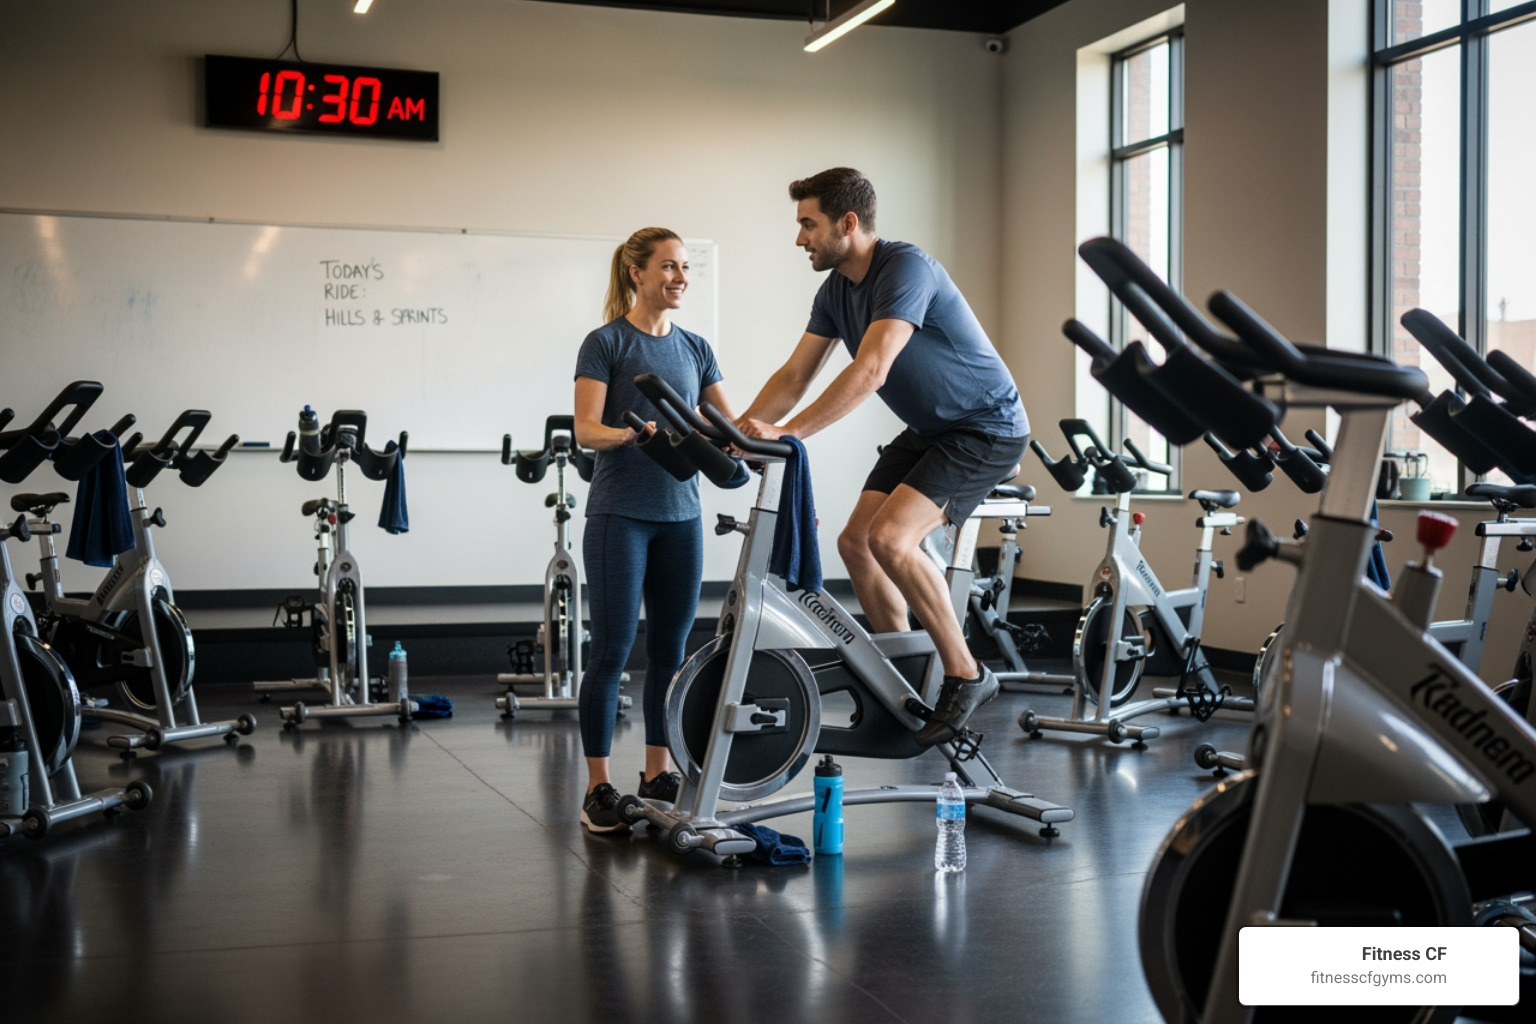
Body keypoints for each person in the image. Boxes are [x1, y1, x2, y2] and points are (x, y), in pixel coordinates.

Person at [736, 167, 1029, 747]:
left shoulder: (905, 268)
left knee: (893, 539)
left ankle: (967, 673)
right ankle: (905, 676)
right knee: (856, 543)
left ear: (848, 223)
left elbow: (872, 369)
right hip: (930, 428)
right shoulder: (835, 291)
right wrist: (740, 430)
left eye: (808, 224)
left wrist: (789, 433)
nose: (800, 238)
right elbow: (795, 375)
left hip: (985, 427)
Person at [572, 227, 735, 833]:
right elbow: (585, 428)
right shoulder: (607, 342)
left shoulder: (696, 348)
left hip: (681, 517)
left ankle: (656, 773)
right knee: (612, 649)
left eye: (685, 267)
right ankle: (598, 789)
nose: (680, 277)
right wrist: (630, 434)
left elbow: (726, 425)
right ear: (636, 273)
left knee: (670, 652)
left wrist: (771, 449)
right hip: (620, 515)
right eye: (668, 266)